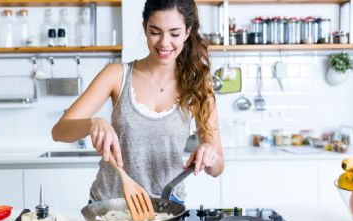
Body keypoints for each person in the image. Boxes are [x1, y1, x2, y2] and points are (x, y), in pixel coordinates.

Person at [52, 0, 224, 204]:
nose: (164, 43)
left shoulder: (198, 85)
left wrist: (210, 154)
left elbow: (217, 168)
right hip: (110, 204)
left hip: (167, 206)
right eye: (155, 32)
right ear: (144, 28)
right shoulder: (116, 75)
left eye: (175, 33)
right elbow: (59, 132)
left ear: (187, 32)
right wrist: (91, 123)